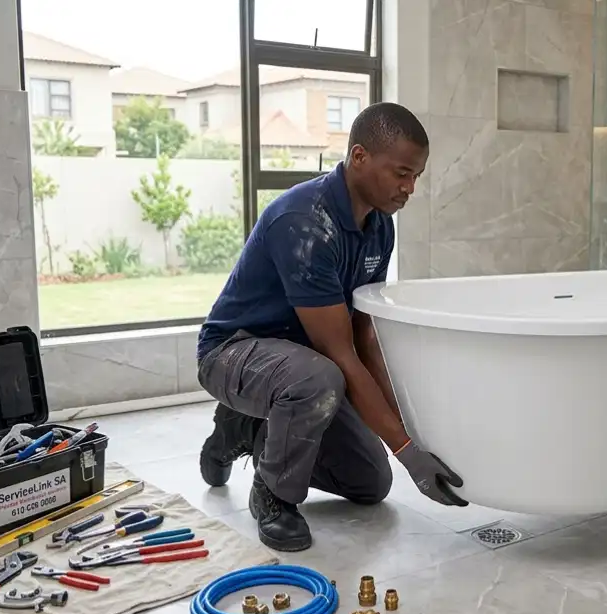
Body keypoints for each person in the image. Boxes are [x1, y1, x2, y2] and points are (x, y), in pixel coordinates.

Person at [194, 102, 467, 553]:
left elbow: (364, 338)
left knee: (370, 481)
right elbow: (339, 354)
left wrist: (409, 439)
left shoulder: (379, 227)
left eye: (417, 176)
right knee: (318, 379)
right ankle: (273, 494)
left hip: (306, 368)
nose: (410, 188)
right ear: (359, 157)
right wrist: (407, 453)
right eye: (402, 173)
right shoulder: (304, 224)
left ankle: (252, 432)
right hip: (234, 353)